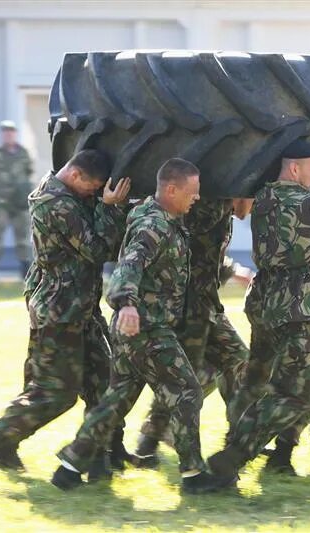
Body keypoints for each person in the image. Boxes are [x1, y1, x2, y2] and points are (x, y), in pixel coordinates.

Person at [52, 158, 235, 495]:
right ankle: (193, 475)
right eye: (192, 193)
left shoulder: (163, 216)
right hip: (146, 329)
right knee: (187, 391)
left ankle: (70, 466)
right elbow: (128, 266)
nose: (197, 198)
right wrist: (127, 304)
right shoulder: (153, 225)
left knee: (117, 399)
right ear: (171, 189)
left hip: (136, 330)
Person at [0, 150, 130, 485]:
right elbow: (99, 250)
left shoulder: (64, 191)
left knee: (105, 383)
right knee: (55, 392)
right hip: (61, 312)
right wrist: (111, 208)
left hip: (80, 308)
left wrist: (105, 206)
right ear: (77, 176)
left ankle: (97, 457)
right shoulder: (58, 204)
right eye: (92, 188)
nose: (93, 195)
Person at [208, 140, 310, 484]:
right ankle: (231, 457)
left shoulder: (264, 199)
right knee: (294, 395)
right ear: (295, 169)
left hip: (267, 304)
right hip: (302, 311)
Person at [129, 197, 253, 468]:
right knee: (187, 378)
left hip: (205, 304)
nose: (251, 208)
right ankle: (151, 446)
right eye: (251, 198)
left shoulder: (222, 211)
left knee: (237, 361)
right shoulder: (210, 207)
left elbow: (209, 255)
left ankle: (238, 441)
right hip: (189, 307)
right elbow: (189, 251)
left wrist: (234, 271)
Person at [0, 120, 34, 281]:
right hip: (0, 204)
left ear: (15, 134)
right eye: (5, 132)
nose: (8, 135)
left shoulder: (23, 153)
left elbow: (29, 172)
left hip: (20, 204)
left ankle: (25, 270)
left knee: (23, 238)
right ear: (2, 135)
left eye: (11, 132)